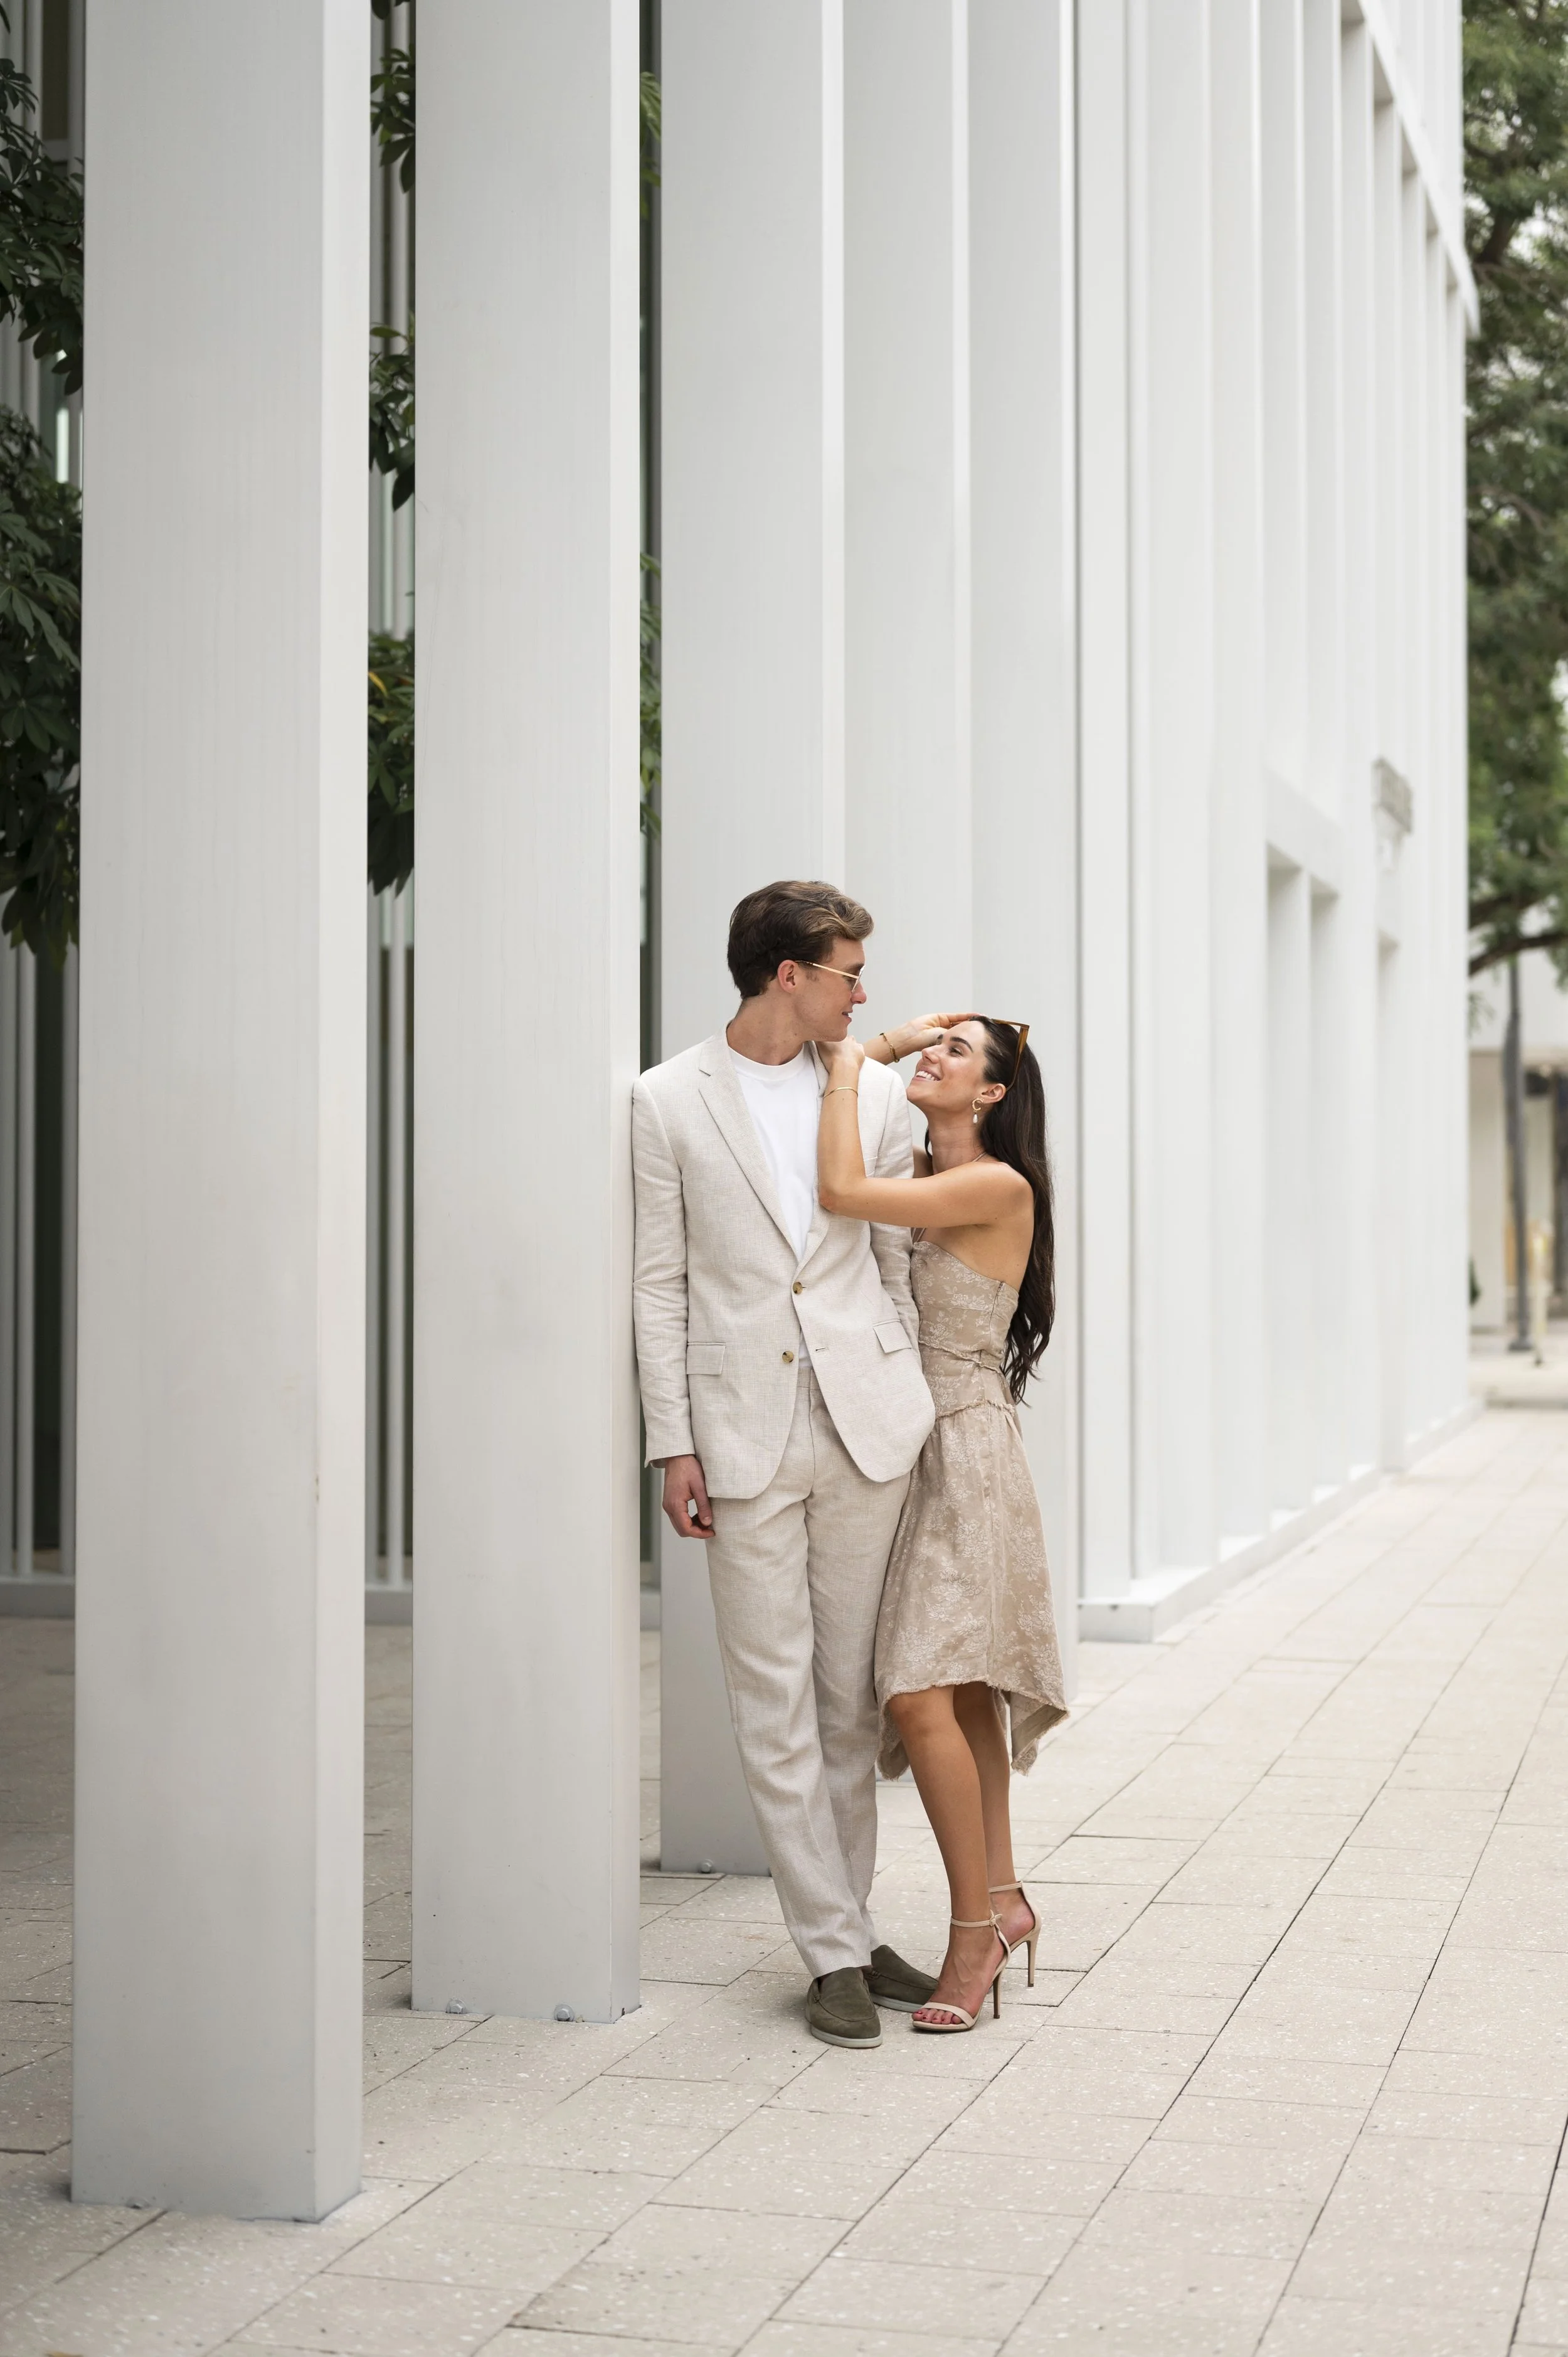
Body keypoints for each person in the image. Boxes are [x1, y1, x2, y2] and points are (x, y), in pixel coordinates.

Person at [632, 880, 962, 2050]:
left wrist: (924, 1416)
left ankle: (850, 1927)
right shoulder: (665, 1101)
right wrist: (672, 1440)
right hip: (740, 1429)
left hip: (866, 1418)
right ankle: (831, 1951)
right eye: (848, 972)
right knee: (769, 1696)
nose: (864, 993)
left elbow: (895, 1259)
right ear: (790, 975)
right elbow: (660, 1282)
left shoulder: (874, 1092)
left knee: (846, 1697)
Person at [817, 1016, 1066, 2032]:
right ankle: (1004, 1902)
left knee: (921, 1692)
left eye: (958, 1052)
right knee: (961, 1698)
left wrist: (858, 1052)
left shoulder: (997, 1187)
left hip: (965, 1454)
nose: (934, 1055)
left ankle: (974, 1935)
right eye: (936, 1044)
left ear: (994, 1096)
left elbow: (839, 1194)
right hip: (908, 1447)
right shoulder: (921, 1163)